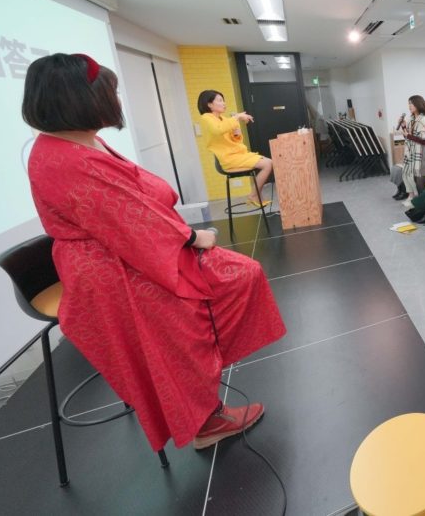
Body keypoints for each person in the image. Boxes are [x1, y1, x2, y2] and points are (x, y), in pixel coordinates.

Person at [23, 53, 286, 451]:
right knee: (189, 314)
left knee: (241, 274)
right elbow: (125, 220)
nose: (117, 99)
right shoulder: (65, 159)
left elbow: (130, 207)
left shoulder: (79, 142)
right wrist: (190, 237)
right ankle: (202, 418)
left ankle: (203, 391)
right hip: (114, 265)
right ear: (79, 100)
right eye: (110, 92)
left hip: (135, 245)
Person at [198, 89, 273, 207]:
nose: (224, 103)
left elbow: (236, 140)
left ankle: (256, 195)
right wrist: (237, 117)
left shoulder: (223, 119)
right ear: (209, 104)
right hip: (228, 159)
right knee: (267, 164)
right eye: (220, 100)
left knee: (269, 162)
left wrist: (236, 134)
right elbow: (218, 130)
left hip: (237, 155)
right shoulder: (206, 118)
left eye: (223, 100)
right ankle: (254, 195)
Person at [399, 95, 425, 199]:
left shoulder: (424, 119)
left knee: (420, 180)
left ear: (418, 104)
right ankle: (418, 201)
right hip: (413, 152)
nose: (409, 106)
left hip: (423, 152)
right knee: (413, 177)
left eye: (411, 103)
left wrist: (408, 136)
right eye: (409, 103)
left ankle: (423, 204)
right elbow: (408, 137)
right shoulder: (412, 119)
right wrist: (404, 126)